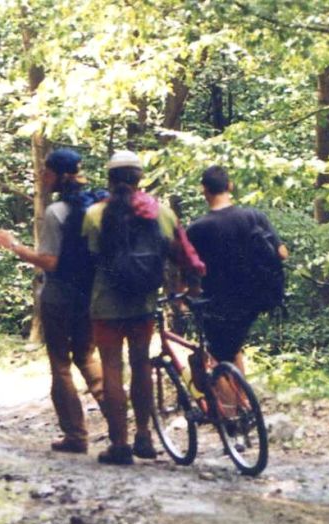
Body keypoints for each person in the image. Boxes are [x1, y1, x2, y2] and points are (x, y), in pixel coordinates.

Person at [82, 150, 204, 465]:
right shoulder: (161, 213)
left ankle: (119, 444)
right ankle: (144, 436)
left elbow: (90, 259)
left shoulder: (94, 214)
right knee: (141, 367)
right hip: (143, 302)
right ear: (140, 179)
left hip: (106, 303)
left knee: (112, 368)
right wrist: (192, 286)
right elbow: (184, 253)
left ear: (110, 180)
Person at [0, 148, 105, 454]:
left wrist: (14, 246)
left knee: (61, 365)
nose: (42, 175)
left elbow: (50, 261)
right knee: (87, 357)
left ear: (59, 175)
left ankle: (76, 435)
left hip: (59, 296)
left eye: (47, 171)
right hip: (91, 295)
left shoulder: (57, 212)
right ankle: (120, 427)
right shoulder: (97, 206)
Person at [187, 165, 288, 376]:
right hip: (258, 296)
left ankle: (230, 398)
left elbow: (190, 271)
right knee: (232, 349)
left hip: (221, 303)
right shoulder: (255, 217)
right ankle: (242, 395)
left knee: (218, 359)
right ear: (230, 186)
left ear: (204, 190)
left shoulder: (197, 229)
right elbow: (282, 253)